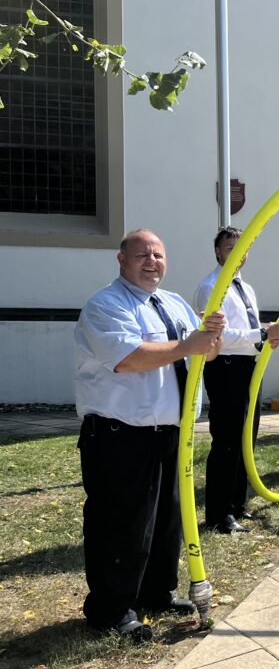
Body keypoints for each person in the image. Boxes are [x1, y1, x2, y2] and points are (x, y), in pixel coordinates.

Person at [75, 230, 226, 640]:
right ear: (121, 260)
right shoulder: (106, 305)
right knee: (121, 522)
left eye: (158, 255)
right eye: (142, 255)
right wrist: (190, 344)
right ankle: (111, 609)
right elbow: (127, 357)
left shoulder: (173, 303)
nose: (152, 262)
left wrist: (211, 337)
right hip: (120, 435)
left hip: (167, 432)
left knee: (164, 521)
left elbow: (203, 352)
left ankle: (156, 593)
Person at [195, 227, 279, 534]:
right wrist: (260, 333)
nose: (238, 253)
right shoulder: (211, 286)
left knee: (246, 437)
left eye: (242, 248)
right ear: (218, 252)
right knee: (227, 440)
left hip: (248, 367)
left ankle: (237, 504)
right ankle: (219, 514)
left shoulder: (245, 287)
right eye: (230, 247)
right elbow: (220, 335)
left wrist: (266, 337)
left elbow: (248, 329)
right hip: (225, 367)